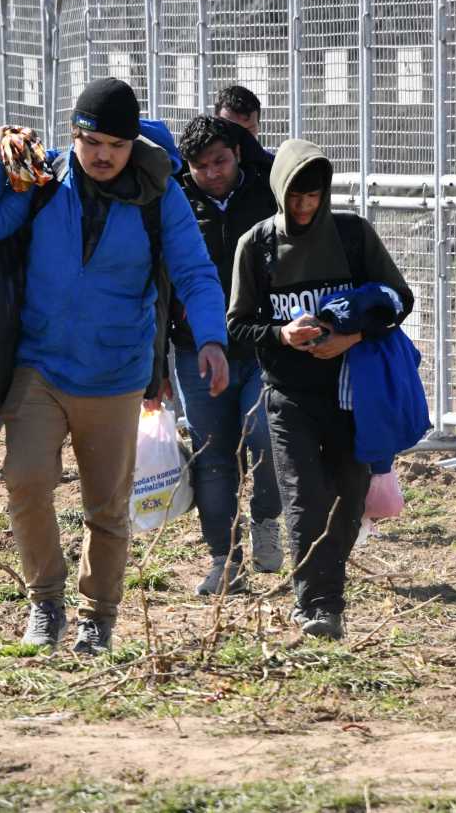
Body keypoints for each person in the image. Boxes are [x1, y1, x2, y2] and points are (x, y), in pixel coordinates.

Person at [0, 78, 230, 655]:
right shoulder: (45, 180)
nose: (102, 154)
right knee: (24, 481)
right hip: (40, 365)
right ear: (72, 135)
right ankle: (45, 601)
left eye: (115, 144)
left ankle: (96, 616)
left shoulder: (161, 197)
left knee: (105, 506)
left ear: (133, 145)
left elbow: (197, 273)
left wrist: (211, 338)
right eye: (90, 140)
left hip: (116, 375)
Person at [227, 138, 412, 640]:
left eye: (313, 196)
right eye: (295, 196)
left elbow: (400, 300)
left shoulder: (352, 235)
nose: (304, 206)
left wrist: (351, 336)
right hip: (289, 396)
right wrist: (282, 334)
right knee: (305, 498)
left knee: (348, 500)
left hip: (353, 395)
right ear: (279, 191)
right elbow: (239, 325)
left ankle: (324, 584)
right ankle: (320, 606)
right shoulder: (258, 245)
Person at [168, 115, 283, 596]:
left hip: (261, 343)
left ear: (238, 154)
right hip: (195, 348)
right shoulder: (174, 199)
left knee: (266, 436)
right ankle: (224, 561)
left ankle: (267, 518)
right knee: (212, 454)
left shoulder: (265, 190)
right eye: (200, 166)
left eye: (220, 161)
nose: (212, 173)